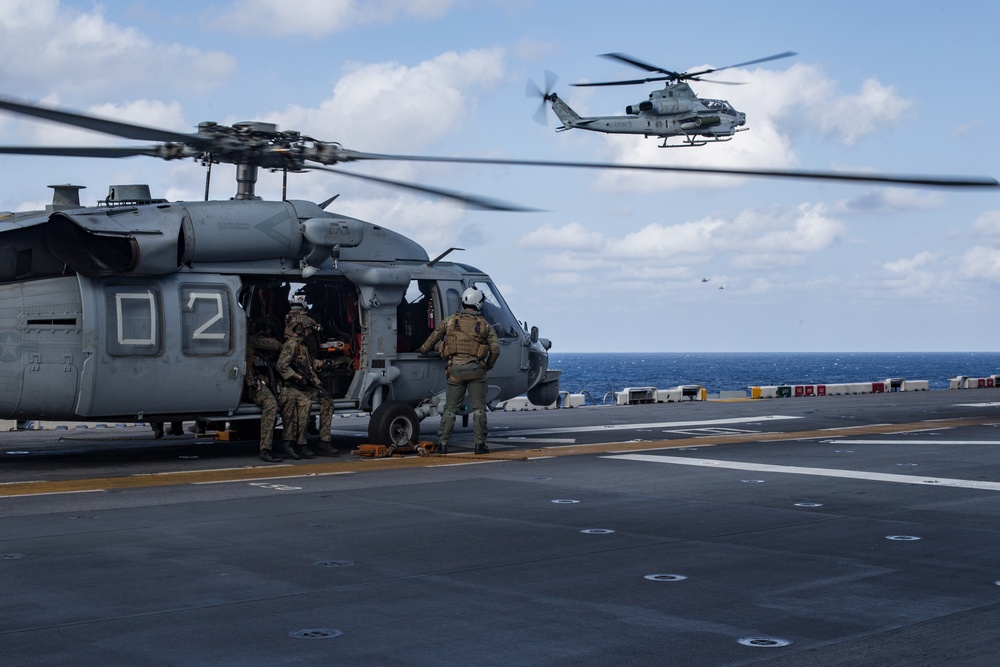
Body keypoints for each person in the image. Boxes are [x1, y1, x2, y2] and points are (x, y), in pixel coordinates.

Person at [417, 287, 500, 454]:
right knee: (478, 409)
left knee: (450, 409)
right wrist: (488, 365)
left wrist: (423, 350)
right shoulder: (484, 325)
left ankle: (442, 444)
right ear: (478, 304)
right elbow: (496, 350)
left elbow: (434, 337)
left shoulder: (450, 321)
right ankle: (479, 445)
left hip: (455, 370)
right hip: (476, 372)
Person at [275, 316, 338, 459]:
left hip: (304, 386)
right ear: (299, 329)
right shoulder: (291, 345)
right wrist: (297, 377)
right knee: (305, 404)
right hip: (292, 387)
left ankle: (325, 440)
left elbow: (309, 364)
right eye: (308, 329)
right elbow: (281, 366)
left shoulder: (302, 347)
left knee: (327, 400)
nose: (310, 332)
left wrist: (322, 363)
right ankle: (302, 443)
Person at [246, 318, 283, 463]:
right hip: (252, 385)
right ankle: (265, 449)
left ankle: (290, 442)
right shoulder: (252, 340)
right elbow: (274, 344)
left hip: (265, 382)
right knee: (270, 403)